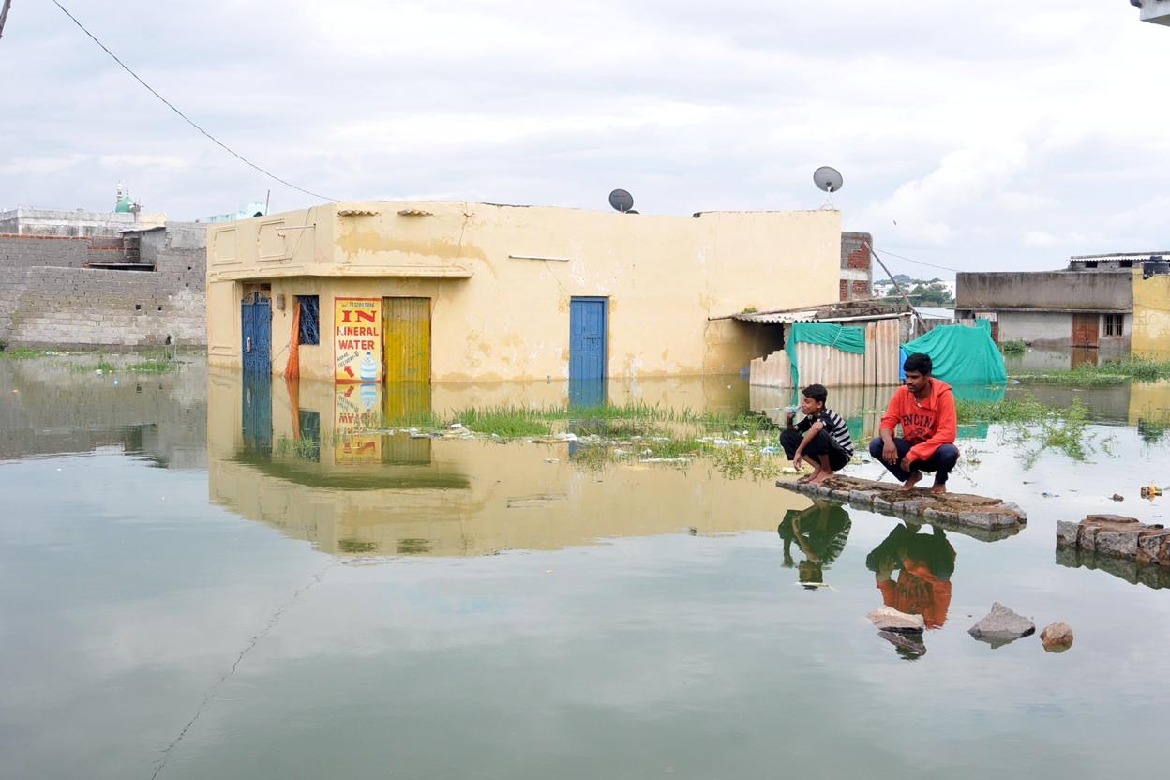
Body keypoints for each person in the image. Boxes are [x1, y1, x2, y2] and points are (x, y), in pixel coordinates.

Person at [868, 352, 959, 494]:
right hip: (910, 450)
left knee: (949, 452)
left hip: (932, 453)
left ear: (927, 376)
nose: (909, 381)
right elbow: (888, 421)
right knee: (876, 445)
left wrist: (914, 453)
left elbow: (947, 434)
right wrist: (888, 442)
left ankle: (940, 482)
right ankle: (912, 475)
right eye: (907, 376)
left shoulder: (943, 395)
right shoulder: (902, 393)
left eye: (914, 377)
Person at [865, 522, 956, 629]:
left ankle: (910, 529)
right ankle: (938, 527)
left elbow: (886, 587)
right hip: (933, 555)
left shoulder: (896, 615)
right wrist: (909, 564)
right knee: (943, 573)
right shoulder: (936, 620)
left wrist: (883, 576)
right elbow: (942, 585)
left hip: (907, 554)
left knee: (873, 564)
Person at [779, 383, 854, 485]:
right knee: (786, 435)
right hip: (823, 455)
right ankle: (818, 468)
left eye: (807, 402)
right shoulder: (810, 417)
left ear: (819, 404)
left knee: (818, 432)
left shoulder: (827, 416)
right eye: (803, 401)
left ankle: (826, 471)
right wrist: (789, 421)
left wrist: (799, 451)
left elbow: (817, 428)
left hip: (840, 457)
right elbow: (793, 433)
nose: (803, 405)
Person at [777, 502, 852, 590]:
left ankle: (819, 506)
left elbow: (789, 534)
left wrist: (787, 553)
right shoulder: (824, 558)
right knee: (816, 543)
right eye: (804, 573)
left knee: (785, 531)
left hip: (825, 522)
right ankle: (824, 508)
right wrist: (798, 534)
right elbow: (814, 554)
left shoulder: (810, 553)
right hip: (839, 519)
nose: (800, 570)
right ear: (815, 571)